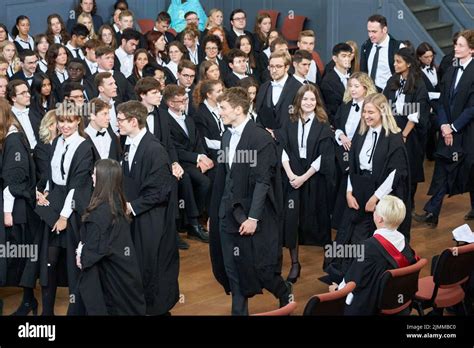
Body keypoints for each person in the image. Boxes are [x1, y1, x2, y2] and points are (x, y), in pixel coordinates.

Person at [209, 87, 293, 315]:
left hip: (254, 215)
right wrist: (215, 213)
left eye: (223, 108)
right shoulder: (226, 135)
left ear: (238, 109)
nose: (220, 112)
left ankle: (284, 293)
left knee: (261, 269)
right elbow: (225, 176)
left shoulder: (260, 138)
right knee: (233, 269)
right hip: (227, 214)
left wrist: (253, 218)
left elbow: (262, 182)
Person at [324, 93, 411, 283]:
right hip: (358, 190)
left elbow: (396, 174)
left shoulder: (394, 138)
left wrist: (376, 198)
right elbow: (353, 167)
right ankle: (344, 277)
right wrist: (348, 192)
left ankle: (364, 279)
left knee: (365, 238)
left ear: (382, 112)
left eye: (370, 112)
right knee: (349, 235)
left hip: (380, 193)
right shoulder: (361, 133)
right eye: (364, 112)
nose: (366, 116)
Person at [117, 100, 180, 315]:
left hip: (152, 220)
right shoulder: (128, 144)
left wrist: (131, 207)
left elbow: (159, 192)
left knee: (152, 265)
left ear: (134, 121)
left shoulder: (154, 150)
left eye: (120, 120)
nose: (117, 124)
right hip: (136, 216)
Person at [35, 102, 94, 315]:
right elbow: (51, 175)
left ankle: (76, 310)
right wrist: (44, 192)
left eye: (69, 121)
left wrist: (63, 216)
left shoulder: (84, 146)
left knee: (73, 262)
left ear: (78, 120)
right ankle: (47, 312)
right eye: (61, 121)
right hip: (55, 204)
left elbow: (77, 186)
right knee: (48, 260)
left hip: (73, 210)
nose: (64, 126)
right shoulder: (56, 142)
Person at [414, 29, 474, 226]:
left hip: (467, 133)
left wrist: (453, 128)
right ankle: (432, 212)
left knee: (470, 169)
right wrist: (444, 125)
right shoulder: (451, 69)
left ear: (471, 50)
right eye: (455, 44)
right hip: (447, 128)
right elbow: (440, 101)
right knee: (442, 168)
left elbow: (472, 108)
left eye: (460, 45)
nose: (455, 47)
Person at [280, 84, 336, 283]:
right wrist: (290, 175)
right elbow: (283, 149)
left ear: (317, 101)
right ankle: (295, 263)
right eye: (305, 99)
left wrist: (304, 177)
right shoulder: (289, 121)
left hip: (315, 177)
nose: (309, 103)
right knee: (292, 220)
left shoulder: (323, 123)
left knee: (321, 217)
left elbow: (325, 156)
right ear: (298, 101)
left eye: (312, 99)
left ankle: (329, 256)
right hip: (292, 174)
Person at [76, 159, 146, 315]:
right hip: (126, 277)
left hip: (112, 284)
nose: (92, 177)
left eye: (94, 175)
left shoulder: (100, 214)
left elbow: (91, 254)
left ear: (103, 180)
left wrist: (81, 253)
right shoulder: (117, 203)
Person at [331, 195, 418, 315]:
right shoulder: (406, 245)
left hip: (369, 305)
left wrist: (336, 291)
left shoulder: (367, 248)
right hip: (394, 302)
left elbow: (351, 281)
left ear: (380, 219)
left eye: (375, 209)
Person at [0, 98, 39, 315]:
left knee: (22, 256)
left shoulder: (13, 140)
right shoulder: (8, 138)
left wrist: (7, 212)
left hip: (16, 210)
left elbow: (13, 181)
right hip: (12, 207)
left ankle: (27, 301)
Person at [162, 84, 212, 243]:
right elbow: (174, 148)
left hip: (193, 161)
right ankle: (193, 222)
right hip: (179, 162)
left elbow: (198, 140)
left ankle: (195, 220)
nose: (185, 102)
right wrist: (197, 158)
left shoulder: (188, 118)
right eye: (181, 100)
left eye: (185, 98)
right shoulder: (165, 121)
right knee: (195, 181)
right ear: (171, 103)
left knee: (207, 180)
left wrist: (202, 157)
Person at [383, 48, 429, 211]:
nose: (395, 64)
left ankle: (408, 204)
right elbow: (386, 104)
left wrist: (403, 135)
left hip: (410, 134)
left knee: (409, 169)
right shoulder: (392, 81)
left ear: (408, 63)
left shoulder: (418, 83)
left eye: (399, 61)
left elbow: (416, 112)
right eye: (394, 61)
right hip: (392, 129)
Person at [332, 73, 377, 228]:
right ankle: (337, 220)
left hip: (361, 153)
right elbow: (336, 124)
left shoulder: (371, 107)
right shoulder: (345, 105)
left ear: (365, 87)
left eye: (356, 86)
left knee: (350, 182)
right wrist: (341, 135)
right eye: (350, 86)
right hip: (341, 151)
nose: (352, 89)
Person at [255, 51, 300, 141]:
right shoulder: (264, 87)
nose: (274, 70)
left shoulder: (298, 88)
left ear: (287, 67)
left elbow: (299, 118)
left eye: (278, 66)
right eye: (271, 66)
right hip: (267, 142)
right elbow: (259, 115)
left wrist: (278, 134)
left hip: (290, 141)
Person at [360, 14, 404, 92]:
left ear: (384, 30)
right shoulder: (366, 46)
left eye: (374, 31)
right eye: (369, 31)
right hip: (370, 95)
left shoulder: (398, 47)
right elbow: (363, 72)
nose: (370, 35)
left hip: (390, 95)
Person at [416, 42, 441, 161]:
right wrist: (440, 95)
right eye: (426, 57)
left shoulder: (435, 68)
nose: (429, 59)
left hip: (436, 104)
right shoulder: (417, 72)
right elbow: (423, 93)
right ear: (419, 57)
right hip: (426, 105)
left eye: (431, 56)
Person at [321, 43, 353, 122]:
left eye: (349, 56)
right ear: (335, 58)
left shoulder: (353, 77)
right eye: (344, 56)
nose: (347, 59)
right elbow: (330, 110)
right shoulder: (327, 81)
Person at [6, 79, 40, 151]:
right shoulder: (8, 117)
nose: (28, 95)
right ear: (13, 98)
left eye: (27, 92)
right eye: (23, 93)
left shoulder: (35, 113)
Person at [85, 97, 121, 162]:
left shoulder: (113, 136)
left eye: (108, 113)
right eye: (104, 114)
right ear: (92, 116)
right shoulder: (82, 137)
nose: (109, 118)